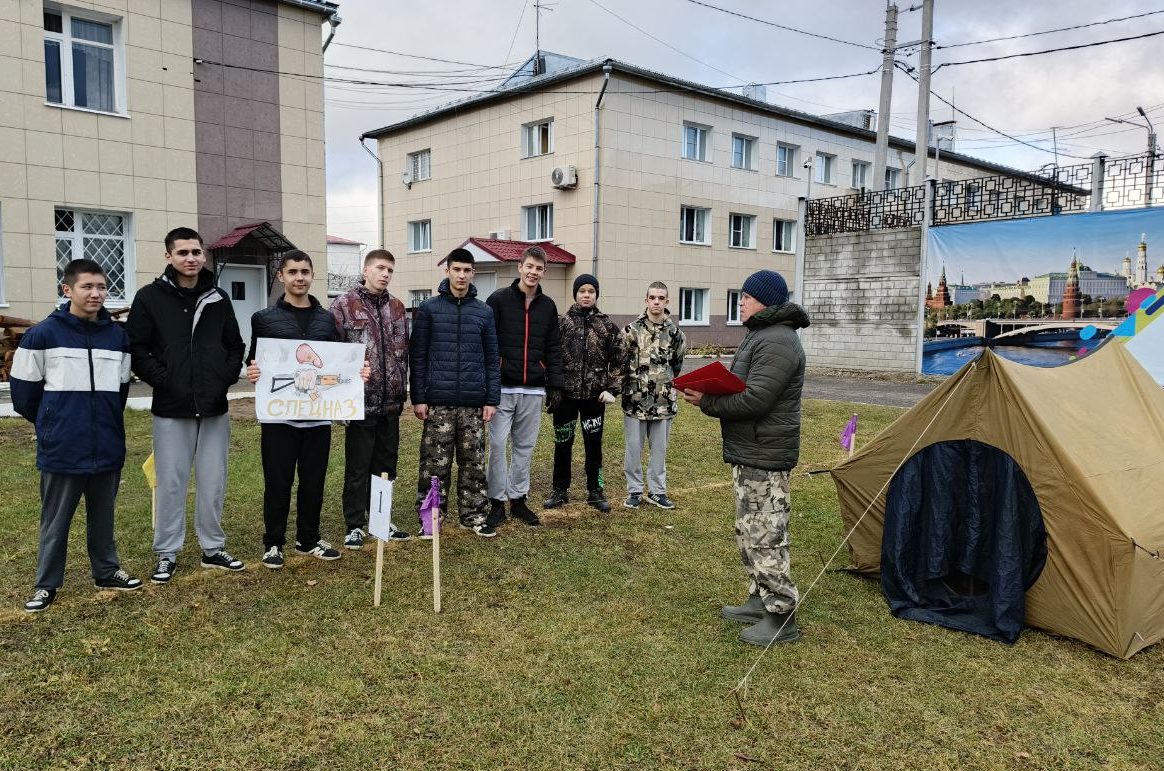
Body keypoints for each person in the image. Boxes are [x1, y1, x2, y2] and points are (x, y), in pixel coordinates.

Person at [682, 270, 809, 646]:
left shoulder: (778, 341)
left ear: (766, 301)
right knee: (749, 532)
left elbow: (756, 399)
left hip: (765, 453)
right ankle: (759, 598)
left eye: (747, 297)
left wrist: (707, 401)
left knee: (766, 535)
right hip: (751, 449)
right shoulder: (761, 335)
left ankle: (782, 615)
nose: (740, 302)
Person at [12, 259, 141, 612]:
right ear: (66, 290)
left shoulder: (118, 337)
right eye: (87, 287)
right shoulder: (42, 334)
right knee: (55, 520)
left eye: (101, 287)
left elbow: (120, 392)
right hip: (63, 445)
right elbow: (24, 394)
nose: (96, 293)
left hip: (107, 443)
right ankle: (46, 584)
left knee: (104, 515)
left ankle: (107, 570)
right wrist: (53, 423)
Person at [126, 227, 247, 583]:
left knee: (213, 481)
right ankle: (167, 552)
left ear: (203, 255)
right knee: (170, 483)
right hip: (171, 408)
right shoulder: (149, 298)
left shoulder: (218, 298)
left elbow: (235, 345)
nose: (191, 258)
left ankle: (213, 548)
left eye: (196, 251)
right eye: (183, 253)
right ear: (169, 257)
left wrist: (222, 378)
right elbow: (136, 348)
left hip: (214, 408)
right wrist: (164, 379)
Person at [246, 251, 371, 568]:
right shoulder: (263, 319)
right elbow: (255, 361)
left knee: (313, 480)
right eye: (292, 272)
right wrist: (253, 372)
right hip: (279, 417)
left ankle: (308, 539)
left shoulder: (326, 319)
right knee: (278, 482)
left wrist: (358, 375)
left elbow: (338, 362)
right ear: (281, 276)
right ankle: (273, 543)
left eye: (304, 271)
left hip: (317, 417)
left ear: (312, 275)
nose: (299, 277)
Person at [409, 248, 501, 537]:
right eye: (456, 269)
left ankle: (473, 514)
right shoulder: (429, 310)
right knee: (434, 463)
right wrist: (419, 397)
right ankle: (431, 516)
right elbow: (418, 355)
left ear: (473, 273)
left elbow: (492, 358)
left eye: (467, 270)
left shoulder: (484, 312)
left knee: (473, 462)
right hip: (438, 402)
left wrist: (491, 399)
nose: (461, 276)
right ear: (447, 271)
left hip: (474, 403)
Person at [329, 249, 411, 549]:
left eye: (390, 269)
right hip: (360, 402)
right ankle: (354, 524)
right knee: (358, 466)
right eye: (380, 268)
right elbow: (332, 354)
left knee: (386, 466)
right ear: (366, 270)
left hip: (391, 403)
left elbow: (404, 353)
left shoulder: (399, 308)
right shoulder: (343, 305)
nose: (385, 274)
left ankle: (380, 519)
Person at [485, 246, 564, 527]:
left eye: (539, 268)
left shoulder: (548, 306)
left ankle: (518, 499)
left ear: (544, 272)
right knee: (496, 444)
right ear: (520, 267)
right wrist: (490, 379)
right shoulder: (498, 300)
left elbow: (553, 348)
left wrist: (554, 384)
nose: (533, 272)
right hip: (502, 388)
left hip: (533, 388)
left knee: (524, 446)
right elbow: (487, 343)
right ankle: (496, 501)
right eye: (529, 266)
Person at [544, 274, 627, 513]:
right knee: (562, 445)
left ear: (596, 294)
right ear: (575, 294)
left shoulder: (607, 326)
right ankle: (560, 490)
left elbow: (621, 360)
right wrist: (553, 387)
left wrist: (612, 389)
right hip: (565, 398)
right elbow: (550, 357)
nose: (586, 295)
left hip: (594, 398)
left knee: (594, 446)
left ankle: (595, 489)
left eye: (591, 291)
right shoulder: (562, 323)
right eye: (582, 291)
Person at [621, 281, 687, 510]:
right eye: (652, 297)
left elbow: (676, 366)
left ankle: (657, 491)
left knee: (659, 450)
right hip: (635, 402)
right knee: (633, 450)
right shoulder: (631, 330)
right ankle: (635, 490)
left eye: (661, 298)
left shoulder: (676, 334)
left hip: (663, 403)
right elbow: (622, 362)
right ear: (646, 300)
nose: (656, 302)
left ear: (667, 302)